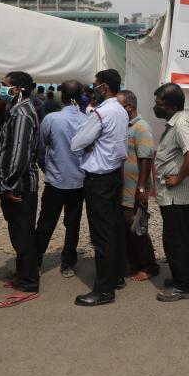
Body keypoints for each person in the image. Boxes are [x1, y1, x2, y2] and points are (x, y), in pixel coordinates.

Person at [70, 69, 129, 306]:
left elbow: (76, 143)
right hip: (114, 175)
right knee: (113, 229)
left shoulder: (102, 113)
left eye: (95, 85)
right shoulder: (122, 111)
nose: (93, 88)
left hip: (99, 179)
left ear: (103, 87)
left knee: (102, 235)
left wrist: (89, 146)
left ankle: (104, 290)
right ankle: (115, 277)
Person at [0, 71, 41, 308]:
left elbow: (19, 153)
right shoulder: (17, 109)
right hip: (16, 184)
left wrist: (8, 184)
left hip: (19, 185)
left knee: (23, 234)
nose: (2, 89)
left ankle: (29, 284)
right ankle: (23, 275)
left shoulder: (21, 114)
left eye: (5, 85)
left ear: (18, 88)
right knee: (18, 232)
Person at [151, 82, 189, 303]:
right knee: (183, 236)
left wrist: (179, 177)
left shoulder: (180, 124)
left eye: (159, 104)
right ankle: (188, 276)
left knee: (175, 239)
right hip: (174, 194)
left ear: (171, 106)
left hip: (176, 194)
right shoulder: (179, 120)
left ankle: (184, 285)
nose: (156, 107)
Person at [34, 80, 86, 278]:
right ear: (80, 97)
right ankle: (68, 264)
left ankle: (36, 261)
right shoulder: (87, 119)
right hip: (79, 181)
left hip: (55, 180)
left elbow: (40, 149)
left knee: (46, 221)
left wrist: (47, 169)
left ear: (61, 97)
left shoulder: (51, 119)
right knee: (73, 224)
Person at [115, 90, 159, 282]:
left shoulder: (142, 128)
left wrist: (141, 188)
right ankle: (133, 263)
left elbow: (146, 159)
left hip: (134, 189)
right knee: (126, 228)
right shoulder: (124, 126)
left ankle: (149, 266)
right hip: (123, 189)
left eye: (119, 106)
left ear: (129, 107)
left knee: (136, 228)